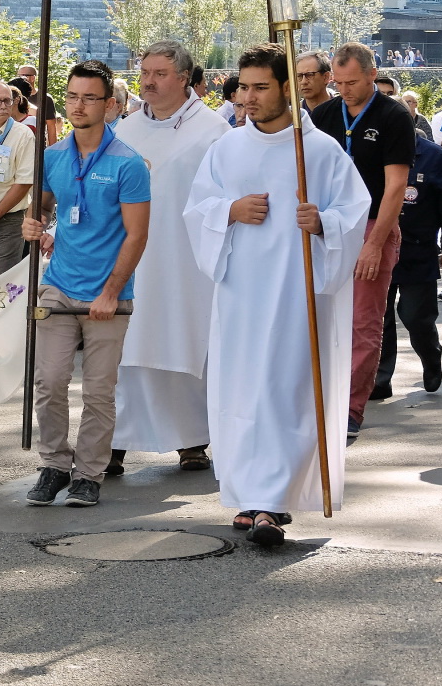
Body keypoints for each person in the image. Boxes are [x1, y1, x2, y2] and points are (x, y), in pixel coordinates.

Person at [184, 43, 369, 547]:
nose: (247, 97)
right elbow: (196, 210)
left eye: (260, 87)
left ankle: (272, 501)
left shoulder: (321, 152)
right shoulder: (226, 149)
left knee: (283, 392)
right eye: (243, 87)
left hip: (294, 294)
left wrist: (324, 222)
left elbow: (355, 211)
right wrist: (230, 211)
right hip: (242, 293)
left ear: (288, 89)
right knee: (243, 391)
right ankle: (248, 496)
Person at [19, 60, 151, 507]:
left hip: (108, 294)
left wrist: (111, 292)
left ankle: (89, 473)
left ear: (109, 105)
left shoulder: (128, 164)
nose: (78, 105)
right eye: (73, 96)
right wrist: (34, 223)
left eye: (89, 97)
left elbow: (137, 235)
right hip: (58, 287)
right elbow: (41, 202)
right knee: (50, 381)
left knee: (98, 389)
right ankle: (54, 465)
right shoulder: (53, 156)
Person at [106, 40, 227, 478]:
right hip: (131, 258)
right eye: (144, 73)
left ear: (183, 78)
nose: (148, 82)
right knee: (126, 349)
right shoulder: (124, 130)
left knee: (184, 343)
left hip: (186, 262)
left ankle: (192, 439)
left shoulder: (213, 132)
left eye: (159, 74)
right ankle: (115, 440)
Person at [309, 41, 415, 438]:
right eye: (337, 82)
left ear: (372, 74)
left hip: (371, 225)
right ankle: (317, 400)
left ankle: (351, 410)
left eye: (351, 82)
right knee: (317, 315)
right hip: (325, 224)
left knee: (362, 323)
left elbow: (396, 186)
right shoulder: (322, 114)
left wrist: (375, 243)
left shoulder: (393, 116)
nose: (344, 89)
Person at [375, 125, 442, 399]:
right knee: (378, 319)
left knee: (416, 316)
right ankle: (380, 380)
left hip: (417, 250)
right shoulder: (371, 152)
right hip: (377, 248)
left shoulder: (433, 156)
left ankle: (431, 357)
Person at [0, 79, 35, 270]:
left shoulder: (23, 135)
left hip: (7, 219)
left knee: (1, 280)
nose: (3, 106)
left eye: (7, 101)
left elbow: (24, 182)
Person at [295, 50, 332, 116]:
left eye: (310, 75)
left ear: (326, 77)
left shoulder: (344, 111)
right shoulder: (294, 115)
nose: (303, 82)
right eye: (299, 76)